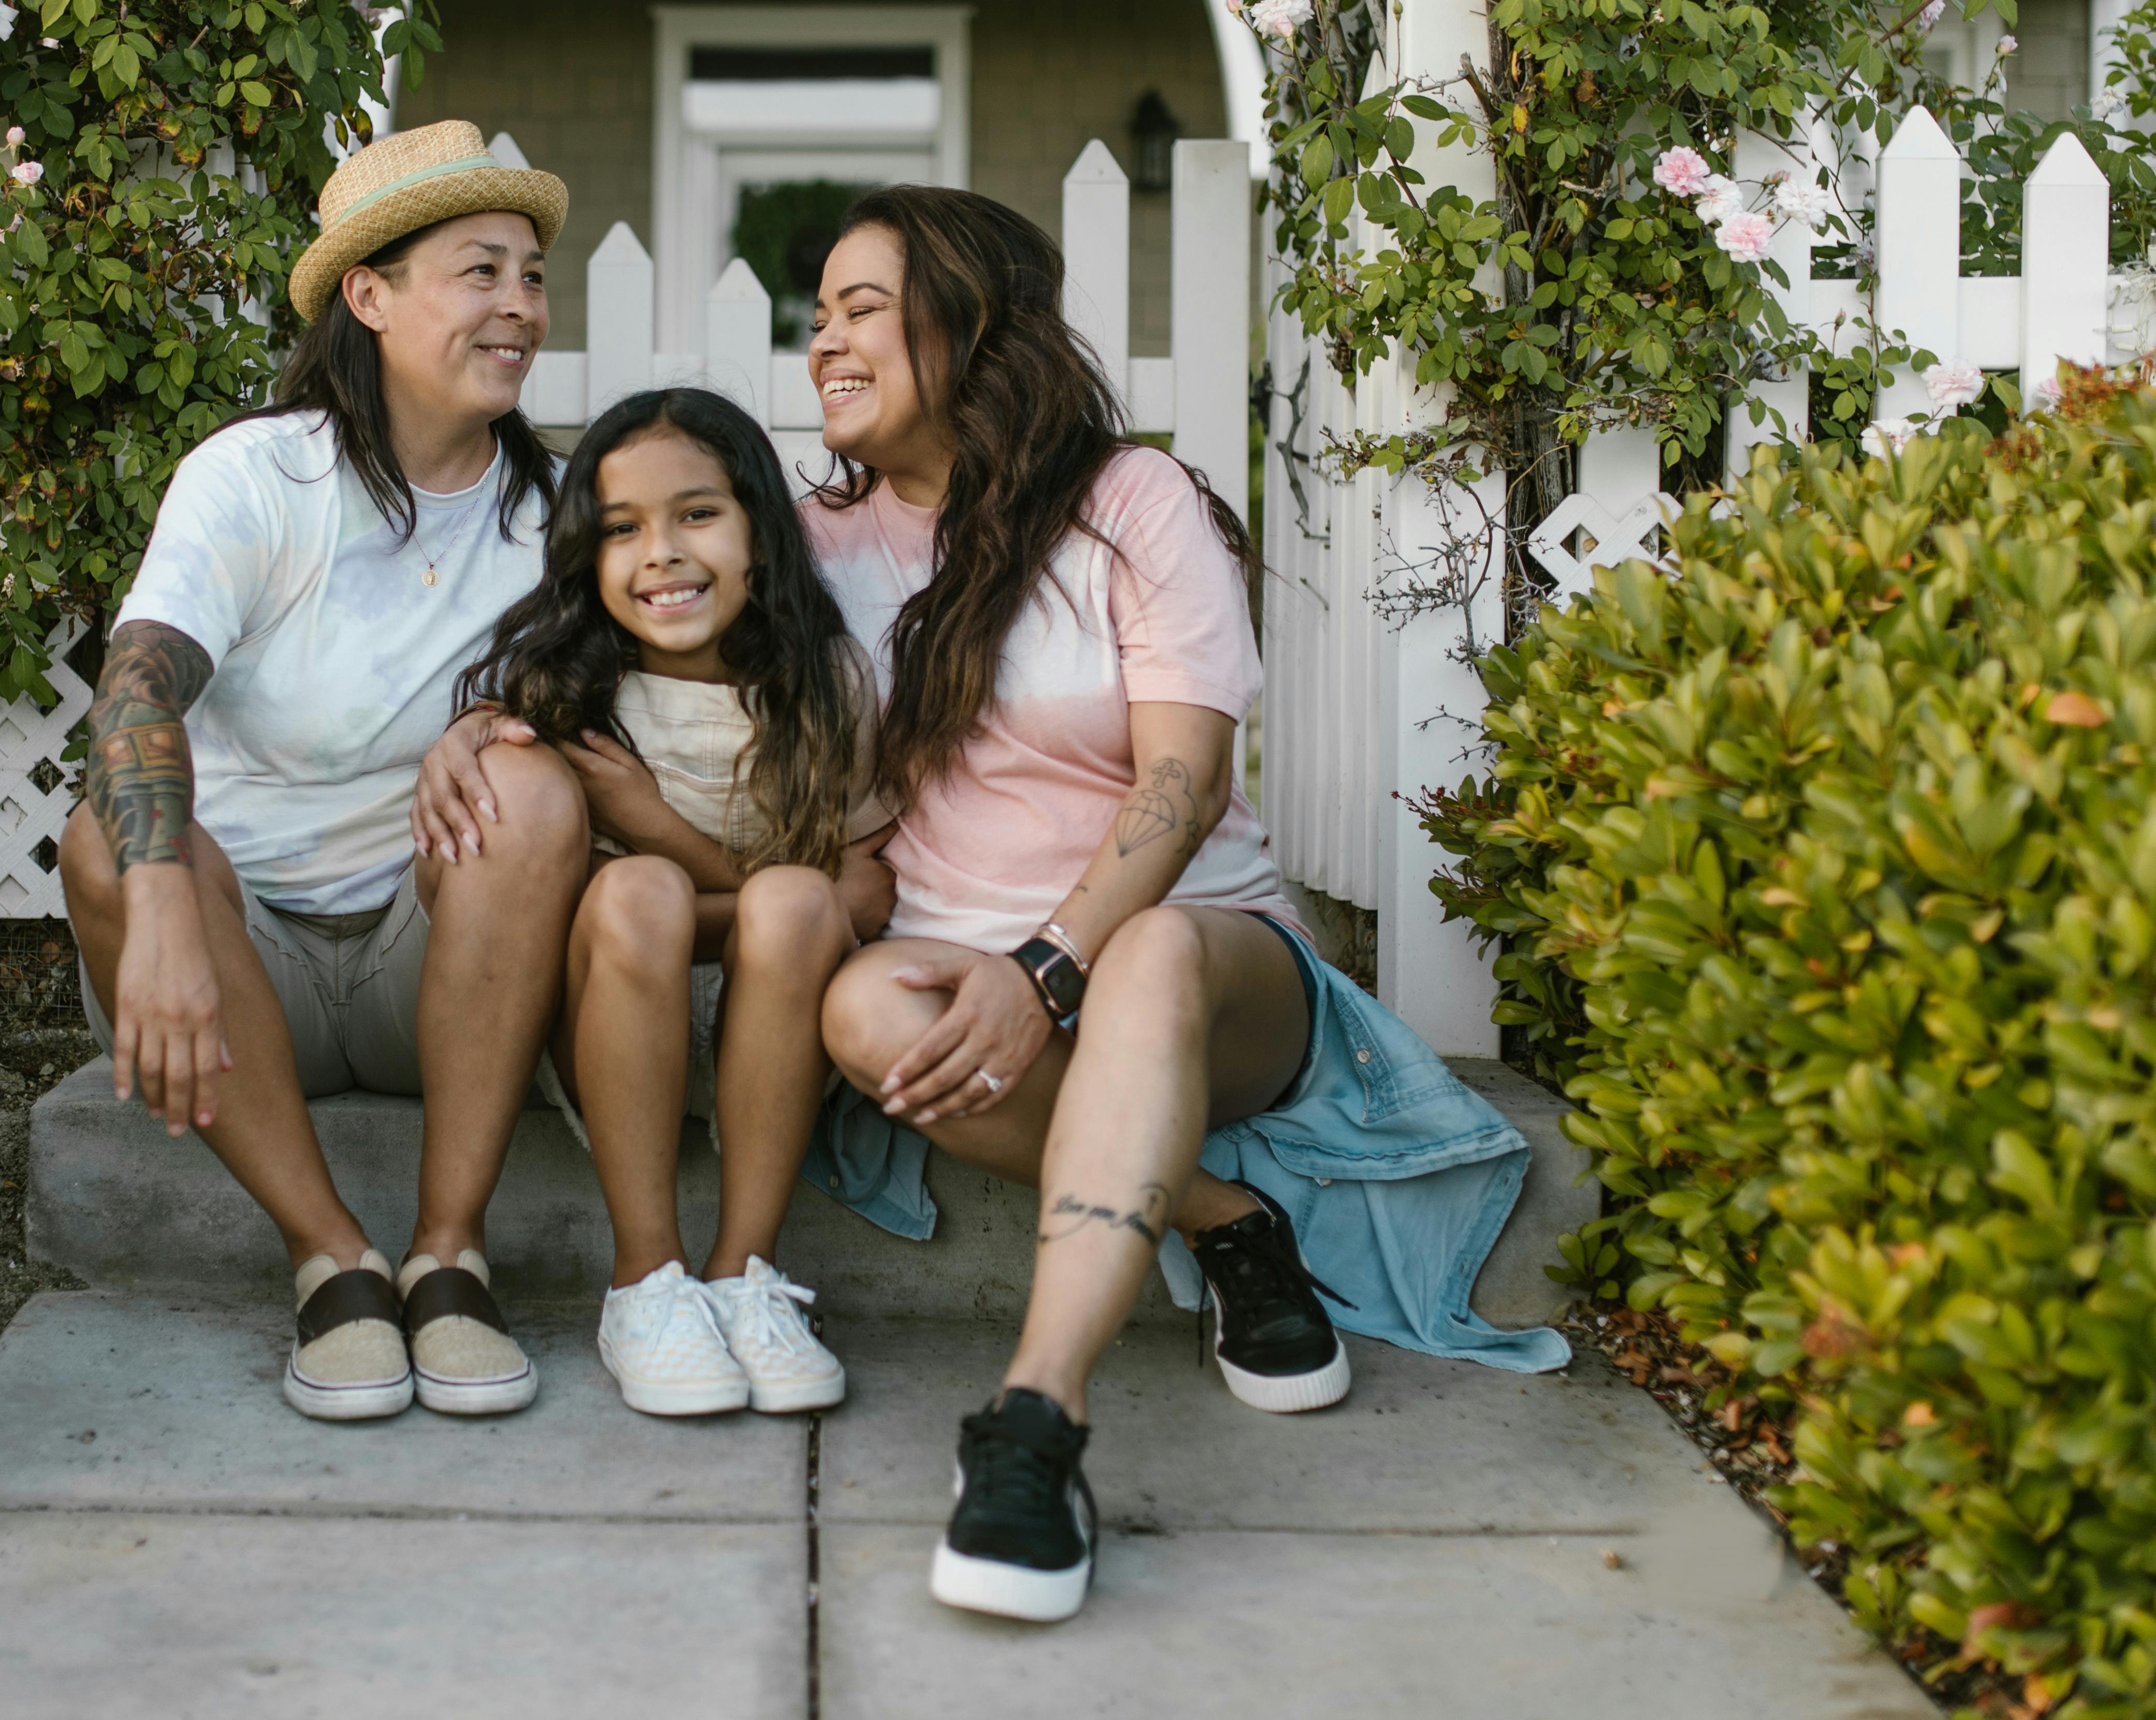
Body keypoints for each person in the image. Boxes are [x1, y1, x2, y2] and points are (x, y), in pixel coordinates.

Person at [802, 184, 1563, 1624]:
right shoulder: (820, 542)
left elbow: (1186, 781)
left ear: (968, 323)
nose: (824, 342)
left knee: (1143, 953)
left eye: (860, 308)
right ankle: (1227, 1223)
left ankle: (1035, 1426)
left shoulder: (1128, 502)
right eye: (819, 313)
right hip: (964, 970)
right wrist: (493, 726)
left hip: (1210, 970)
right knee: (857, 1004)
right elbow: (620, 642)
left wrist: (1045, 967)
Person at [59, 119, 593, 1424]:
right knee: (104, 837)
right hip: (241, 982)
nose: (519, 305)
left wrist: (507, 729)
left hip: (438, 970)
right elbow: (137, 687)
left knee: (534, 790)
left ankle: (448, 1252)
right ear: (371, 294)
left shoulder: (558, 511)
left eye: (531, 274)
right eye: (480, 270)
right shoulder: (258, 477)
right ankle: (331, 1258)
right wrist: (170, 907)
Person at [461, 388, 893, 1419]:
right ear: (587, 556)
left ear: (759, 532)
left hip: (782, 1026)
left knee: (787, 901)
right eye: (622, 528)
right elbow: (570, 915)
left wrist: (656, 826)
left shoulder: (823, 683)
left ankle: (746, 1273)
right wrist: (673, 873)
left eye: (697, 514)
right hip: (614, 1030)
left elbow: (864, 888)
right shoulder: (571, 695)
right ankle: (644, 1279)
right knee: (639, 894)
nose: (661, 551)